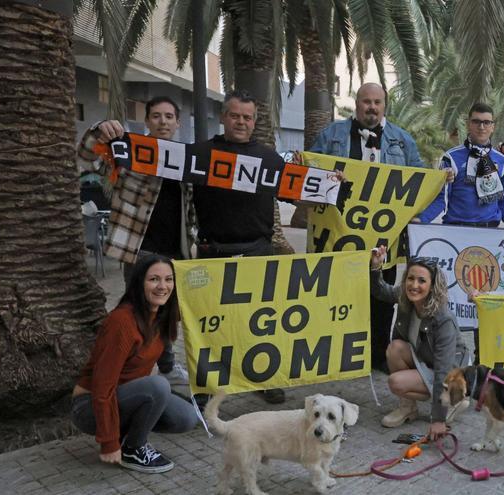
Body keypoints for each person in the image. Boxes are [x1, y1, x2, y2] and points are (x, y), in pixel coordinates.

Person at [77, 96, 193, 395]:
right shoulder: (127, 150)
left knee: (168, 313)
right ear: (147, 121)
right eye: (157, 116)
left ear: (177, 123)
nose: (163, 122)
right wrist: (99, 130)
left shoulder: (187, 159)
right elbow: (87, 156)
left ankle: (166, 366)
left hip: (176, 251)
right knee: (139, 312)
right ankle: (131, 370)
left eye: (169, 116)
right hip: (138, 248)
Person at [309, 83, 425, 373]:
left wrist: (423, 205)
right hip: (340, 235)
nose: (371, 107)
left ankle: (376, 356)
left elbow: (420, 180)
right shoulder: (331, 135)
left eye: (377, 102)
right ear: (356, 104)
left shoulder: (402, 141)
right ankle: (336, 354)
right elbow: (308, 174)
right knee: (337, 295)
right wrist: (326, 180)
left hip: (383, 240)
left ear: (385, 105)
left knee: (382, 298)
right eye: (366, 102)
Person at [192, 90, 294, 404]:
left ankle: (265, 379)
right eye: (235, 115)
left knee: (260, 323)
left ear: (254, 121)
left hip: (256, 252)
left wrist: (333, 181)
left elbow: (300, 193)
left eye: (247, 117)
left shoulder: (270, 159)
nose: (241, 122)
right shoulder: (199, 153)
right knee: (209, 324)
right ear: (223, 117)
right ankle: (208, 387)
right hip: (212, 252)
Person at [71, 255, 197, 474]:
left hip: (125, 397)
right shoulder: (122, 321)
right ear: (139, 283)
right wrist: (108, 442)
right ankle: (133, 448)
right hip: (88, 406)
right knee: (158, 385)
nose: (163, 286)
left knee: (186, 417)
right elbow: (102, 385)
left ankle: (128, 434)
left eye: (169, 279)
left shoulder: (161, 316)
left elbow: (197, 300)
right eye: (154, 279)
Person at [369, 245, 470, 440]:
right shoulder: (405, 296)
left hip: (452, 371)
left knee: (395, 382)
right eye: (410, 278)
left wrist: (438, 420)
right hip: (425, 358)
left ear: (432, 285)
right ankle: (408, 408)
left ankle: (453, 400)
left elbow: (445, 370)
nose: (414, 285)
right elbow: (381, 291)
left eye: (422, 280)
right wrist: (376, 267)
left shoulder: (443, 319)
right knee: (394, 349)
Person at [415, 102, 504, 229]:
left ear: (492, 127)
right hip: (457, 230)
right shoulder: (451, 157)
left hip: (490, 231)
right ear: (468, 124)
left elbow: (502, 199)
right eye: (476, 121)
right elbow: (441, 198)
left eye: (486, 122)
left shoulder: (501, 160)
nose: (481, 127)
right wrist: (421, 220)